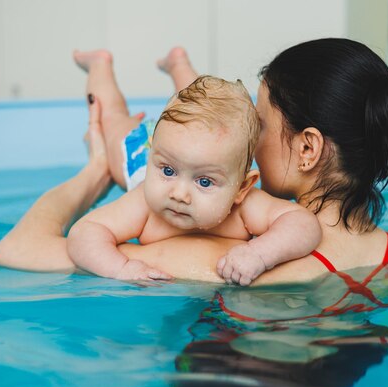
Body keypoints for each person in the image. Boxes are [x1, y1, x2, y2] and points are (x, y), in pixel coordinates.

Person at [0, 38, 388, 286]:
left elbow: (15, 251)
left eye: (261, 122)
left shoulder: (223, 259)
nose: (250, 135)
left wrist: (94, 172)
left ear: (308, 149)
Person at [65, 59, 321, 285]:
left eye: (205, 182)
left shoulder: (243, 207)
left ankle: (178, 64)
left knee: (207, 113)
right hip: (142, 156)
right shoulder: (144, 202)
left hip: (177, 146)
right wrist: (120, 268)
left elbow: (304, 224)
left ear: (242, 187)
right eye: (168, 172)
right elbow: (83, 233)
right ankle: (99, 64)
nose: (179, 194)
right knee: (112, 121)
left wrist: (260, 253)